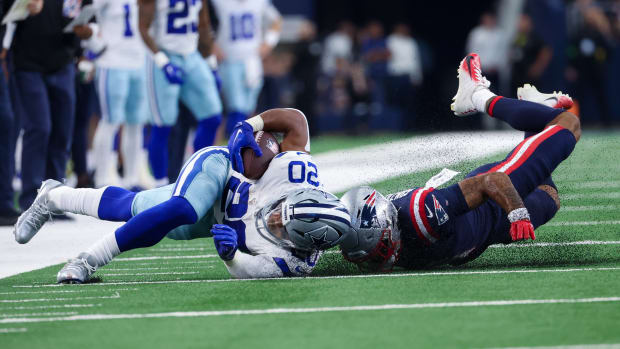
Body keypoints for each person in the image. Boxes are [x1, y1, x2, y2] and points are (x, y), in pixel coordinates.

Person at [14, 108, 351, 282]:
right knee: (181, 210)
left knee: (133, 209)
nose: (275, 219)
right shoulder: (294, 170)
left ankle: (53, 197)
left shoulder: (293, 262)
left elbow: (251, 270)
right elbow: (296, 120)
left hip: (217, 217)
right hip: (221, 171)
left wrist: (232, 255)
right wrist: (250, 125)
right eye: (282, 211)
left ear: (303, 244)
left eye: (281, 227)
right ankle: (87, 260)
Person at [340, 53, 581, 271]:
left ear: (388, 222)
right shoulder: (357, 233)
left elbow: (492, 180)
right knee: (550, 197)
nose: (375, 258)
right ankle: (535, 110)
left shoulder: (420, 214)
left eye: (379, 247)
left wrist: (516, 212)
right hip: (484, 233)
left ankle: (478, 96)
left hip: (492, 198)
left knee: (569, 123)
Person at [138, 0, 222, 186]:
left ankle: (199, 176)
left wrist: (211, 65)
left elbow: (203, 26)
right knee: (163, 125)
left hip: (191, 55)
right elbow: (142, 28)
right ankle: (160, 185)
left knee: (212, 117)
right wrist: (162, 62)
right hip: (162, 54)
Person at [74, 0, 152, 190]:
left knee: (136, 122)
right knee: (111, 120)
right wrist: (95, 47)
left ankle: (132, 177)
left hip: (138, 60)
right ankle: (103, 176)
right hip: (112, 62)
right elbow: (83, 20)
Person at [12, 0, 78, 211]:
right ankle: (31, 199)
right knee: (39, 128)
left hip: (63, 61)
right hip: (28, 62)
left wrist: (87, 31)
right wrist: (21, 10)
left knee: (61, 131)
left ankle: (55, 200)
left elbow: (86, 18)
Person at [210, 0, 282, 135]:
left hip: (252, 61)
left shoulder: (259, 2)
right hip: (229, 59)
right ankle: (233, 143)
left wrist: (269, 43)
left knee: (249, 107)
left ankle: (244, 143)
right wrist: (212, 44)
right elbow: (203, 21)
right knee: (236, 105)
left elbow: (277, 21)